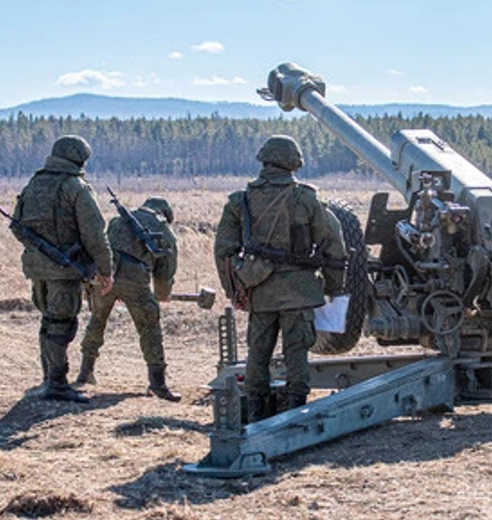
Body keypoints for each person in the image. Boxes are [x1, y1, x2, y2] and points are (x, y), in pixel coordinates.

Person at [213, 135, 346, 422]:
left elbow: (223, 251)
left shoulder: (241, 201)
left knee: (257, 354)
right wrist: (334, 286)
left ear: (264, 160)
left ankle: (256, 415)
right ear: (294, 162)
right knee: (296, 352)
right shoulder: (306, 198)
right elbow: (334, 245)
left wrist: (236, 287)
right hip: (299, 292)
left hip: (259, 291)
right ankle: (296, 415)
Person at [10, 136, 114, 403]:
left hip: (38, 270)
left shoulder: (34, 184)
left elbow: (17, 227)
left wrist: (39, 250)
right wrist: (105, 269)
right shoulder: (75, 187)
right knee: (61, 325)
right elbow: (95, 235)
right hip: (64, 271)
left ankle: (49, 379)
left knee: (49, 321)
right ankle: (56, 384)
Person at [76, 197, 181, 401]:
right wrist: (161, 295)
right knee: (149, 328)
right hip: (135, 281)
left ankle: (85, 371)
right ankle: (157, 384)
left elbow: (101, 246)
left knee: (97, 321)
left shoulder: (119, 220)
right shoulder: (164, 230)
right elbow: (166, 269)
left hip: (106, 276)